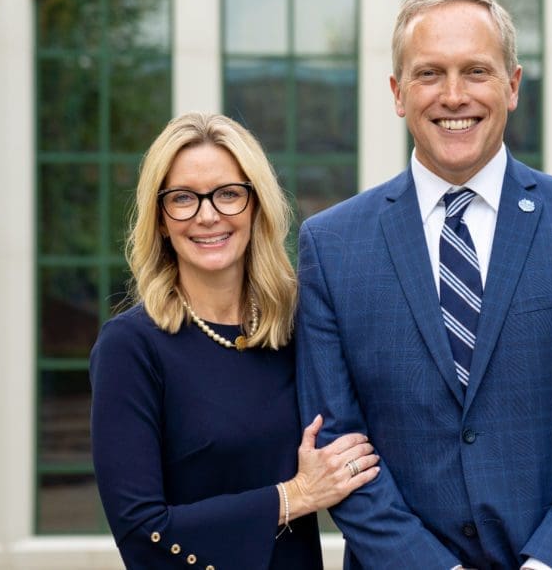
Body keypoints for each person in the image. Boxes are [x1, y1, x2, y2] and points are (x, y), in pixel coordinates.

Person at [295, 0, 552, 569]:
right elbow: (340, 448)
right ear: (397, 92)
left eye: (476, 72)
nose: (454, 96)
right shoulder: (331, 246)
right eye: (430, 74)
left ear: (512, 86)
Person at [90, 112, 380, 570]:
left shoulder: (300, 327)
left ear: (256, 205)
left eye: (228, 194)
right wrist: (294, 496)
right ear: (161, 219)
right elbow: (140, 531)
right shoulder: (130, 348)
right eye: (183, 198)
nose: (208, 216)